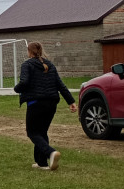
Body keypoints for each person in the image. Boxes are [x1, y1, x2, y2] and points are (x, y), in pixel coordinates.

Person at [14, 41, 77, 171]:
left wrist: (16, 88)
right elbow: (60, 85)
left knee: (32, 132)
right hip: (51, 103)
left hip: (36, 103)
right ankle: (41, 163)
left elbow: (24, 82)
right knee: (42, 132)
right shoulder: (50, 64)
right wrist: (71, 101)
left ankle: (51, 153)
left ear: (29, 52)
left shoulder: (27, 64)